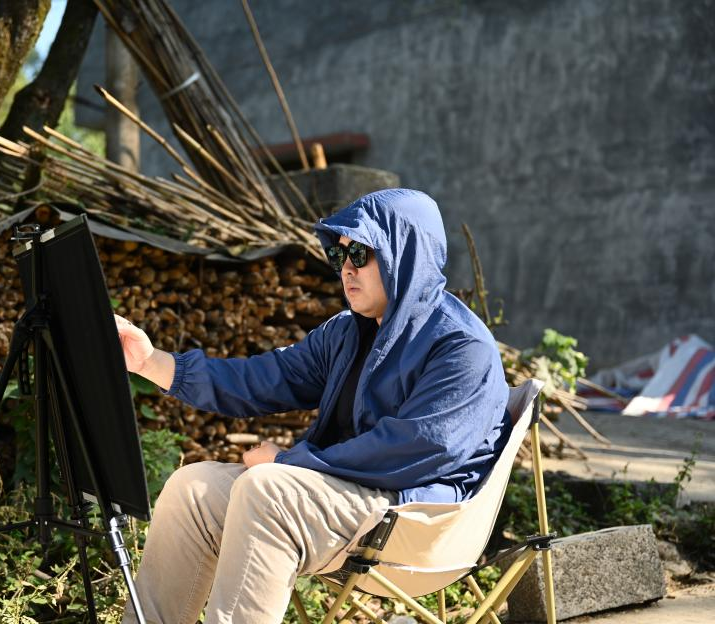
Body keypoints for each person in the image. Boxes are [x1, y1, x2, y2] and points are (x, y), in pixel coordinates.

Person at [114, 188, 511, 624]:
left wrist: (289, 462)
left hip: (418, 515)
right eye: (339, 256)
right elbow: (264, 378)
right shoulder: (347, 333)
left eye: (360, 253)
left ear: (405, 254)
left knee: (267, 491)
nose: (346, 269)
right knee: (192, 489)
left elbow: (414, 449)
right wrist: (151, 362)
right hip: (351, 498)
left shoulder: (461, 346)